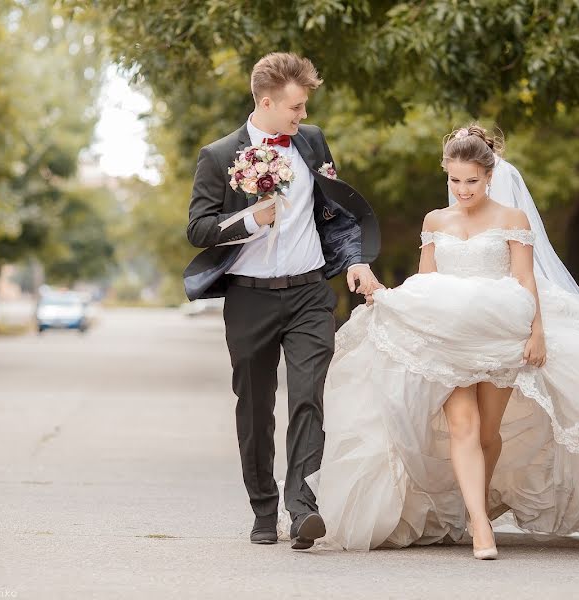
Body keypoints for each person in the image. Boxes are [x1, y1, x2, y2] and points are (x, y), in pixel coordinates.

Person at [307, 124, 579, 559]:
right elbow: (427, 280)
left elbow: (525, 279)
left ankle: (475, 508)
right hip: (446, 336)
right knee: (462, 426)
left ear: (490, 175)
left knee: (488, 432)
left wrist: (536, 333)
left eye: (472, 181)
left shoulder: (510, 218)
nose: (462, 189)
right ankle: (480, 526)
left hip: (499, 332)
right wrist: (396, 305)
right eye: (455, 180)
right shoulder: (435, 220)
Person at [183, 52, 383, 549]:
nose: (303, 118)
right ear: (267, 102)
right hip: (248, 299)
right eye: (295, 108)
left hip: (310, 292)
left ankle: (302, 507)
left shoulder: (311, 144)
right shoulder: (219, 155)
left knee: (308, 397)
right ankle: (264, 508)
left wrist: (355, 260)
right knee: (254, 408)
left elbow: (335, 212)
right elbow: (198, 229)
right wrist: (252, 219)